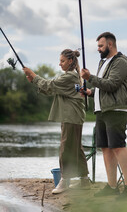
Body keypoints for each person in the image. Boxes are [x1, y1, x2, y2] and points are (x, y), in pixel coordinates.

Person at [23, 49, 89, 194]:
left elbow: (50, 85)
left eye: (62, 61)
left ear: (70, 61)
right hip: (74, 116)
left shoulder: (70, 77)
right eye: (59, 61)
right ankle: (84, 181)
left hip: (70, 116)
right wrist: (34, 81)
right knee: (76, 147)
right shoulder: (72, 76)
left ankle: (64, 181)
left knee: (66, 148)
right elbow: (51, 89)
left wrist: (33, 75)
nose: (59, 64)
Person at [81, 32, 127, 196]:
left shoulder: (121, 62)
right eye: (98, 46)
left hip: (116, 110)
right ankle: (111, 187)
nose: (98, 49)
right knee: (106, 148)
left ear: (110, 44)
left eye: (100, 46)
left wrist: (90, 77)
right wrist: (90, 92)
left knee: (118, 147)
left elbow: (111, 85)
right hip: (102, 111)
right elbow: (102, 87)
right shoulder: (103, 62)